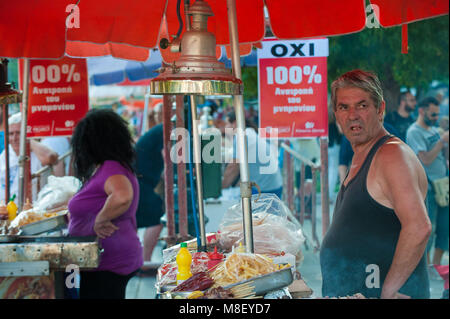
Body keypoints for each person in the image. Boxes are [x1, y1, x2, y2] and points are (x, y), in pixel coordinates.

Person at [320, 70, 431, 299]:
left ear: (380, 109)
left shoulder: (392, 155)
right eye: (344, 107)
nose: (352, 115)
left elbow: (419, 227)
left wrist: (388, 291)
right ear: (336, 114)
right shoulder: (361, 155)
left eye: (362, 106)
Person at [67, 109, 143, 299]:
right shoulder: (112, 166)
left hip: (109, 262)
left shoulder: (111, 167)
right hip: (105, 262)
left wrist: (100, 219)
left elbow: (122, 196)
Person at [406, 97, 449, 267]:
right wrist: (442, 141)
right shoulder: (414, 132)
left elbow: (441, 157)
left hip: (443, 186)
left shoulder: (433, 129)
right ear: (421, 111)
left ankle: (436, 266)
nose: (435, 117)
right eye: (432, 114)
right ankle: (424, 267)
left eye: (437, 114)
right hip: (428, 187)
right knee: (428, 229)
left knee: (444, 229)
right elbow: (425, 159)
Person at [222, 111, 283, 198]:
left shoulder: (241, 136)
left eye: (227, 124)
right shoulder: (249, 132)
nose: (225, 127)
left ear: (235, 123)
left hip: (265, 189)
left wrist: (221, 188)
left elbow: (233, 168)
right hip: (274, 185)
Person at [0, 112, 58, 202]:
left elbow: (50, 157)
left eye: (18, 133)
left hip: (35, 207)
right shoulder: (4, 157)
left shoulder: (36, 151)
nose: (14, 138)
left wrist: (27, 140)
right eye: (11, 134)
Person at [134, 121, 165, 275]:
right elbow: (168, 158)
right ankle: (144, 262)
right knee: (158, 216)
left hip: (139, 178)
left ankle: (140, 260)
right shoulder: (166, 130)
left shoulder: (161, 129)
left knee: (136, 220)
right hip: (139, 179)